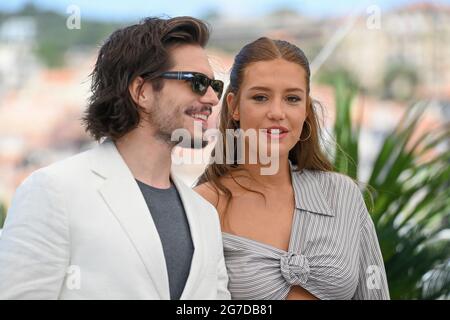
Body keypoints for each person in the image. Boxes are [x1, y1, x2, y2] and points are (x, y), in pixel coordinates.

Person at [0, 16, 230, 300]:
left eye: (215, 86)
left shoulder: (204, 215)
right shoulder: (53, 192)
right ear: (142, 91)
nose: (211, 98)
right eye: (197, 82)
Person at [194, 37, 390, 300]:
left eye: (292, 98)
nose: (277, 112)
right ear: (234, 106)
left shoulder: (342, 194)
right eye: (260, 97)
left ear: (306, 109)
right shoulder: (204, 206)